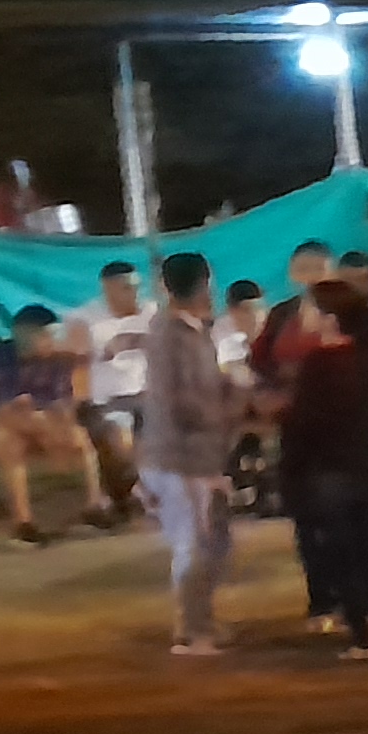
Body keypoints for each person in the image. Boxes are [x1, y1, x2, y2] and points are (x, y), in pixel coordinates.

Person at [283, 281, 368, 658]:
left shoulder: (319, 363)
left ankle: (361, 637)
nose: (302, 315)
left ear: (330, 318)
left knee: (343, 555)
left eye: (309, 308)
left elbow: (304, 426)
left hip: (332, 474)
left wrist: (291, 476)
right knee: (367, 552)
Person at [136, 250, 241, 657]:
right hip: (179, 458)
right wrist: (233, 406)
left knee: (214, 543)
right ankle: (193, 632)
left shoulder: (189, 331)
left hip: (195, 455)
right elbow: (182, 403)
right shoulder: (171, 334)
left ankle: (200, 622)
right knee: (196, 544)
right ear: (205, 285)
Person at [0, 306, 93, 545]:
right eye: (45, 335)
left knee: (77, 435)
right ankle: (23, 524)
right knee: (9, 443)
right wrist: (41, 425)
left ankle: (95, 506)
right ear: (23, 334)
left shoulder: (56, 362)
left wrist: (57, 430)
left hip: (29, 420)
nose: (51, 341)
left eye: (54, 335)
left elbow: (62, 406)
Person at [73, 260, 153, 526]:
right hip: (104, 400)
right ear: (108, 289)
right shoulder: (86, 319)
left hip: (146, 394)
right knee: (118, 438)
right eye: (127, 288)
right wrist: (105, 350)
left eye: (137, 287)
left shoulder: (151, 312)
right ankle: (128, 495)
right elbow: (75, 362)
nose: (134, 293)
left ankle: (133, 495)